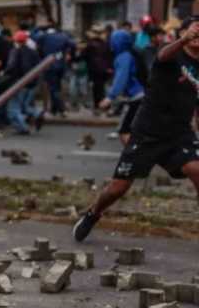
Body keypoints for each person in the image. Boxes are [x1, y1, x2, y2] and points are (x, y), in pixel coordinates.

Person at [74, 18, 199, 242]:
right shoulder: (169, 54)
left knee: (196, 169)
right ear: (183, 33)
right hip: (148, 132)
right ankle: (93, 213)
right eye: (194, 30)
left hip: (179, 133)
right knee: (118, 188)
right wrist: (183, 40)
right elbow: (163, 56)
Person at [98, 29, 146, 146]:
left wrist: (110, 97)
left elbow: (121, 78)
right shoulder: (132, 53)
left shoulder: (123, 57)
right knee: (134, 130)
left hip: (136, 97)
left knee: (124, 131)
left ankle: (133, 157)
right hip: (141, 95)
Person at [2, 31, 43, 135]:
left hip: (19, 83)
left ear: (16, 41)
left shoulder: (15, 51)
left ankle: (22, 128)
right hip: (31, 83)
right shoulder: (33, 52)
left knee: (13, 108)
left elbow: (11, 66)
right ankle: (37, 113)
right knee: (24, 106)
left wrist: (3, 73)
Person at [83, 24, 114, 111]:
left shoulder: (89, 45)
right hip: (106, 70)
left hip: (95, 71)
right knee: (104, 87)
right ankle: (106, 105)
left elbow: (84, 56)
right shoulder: (106, 44)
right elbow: (110, 56)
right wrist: (110, 67)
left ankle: (98, 106)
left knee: (96, 89)